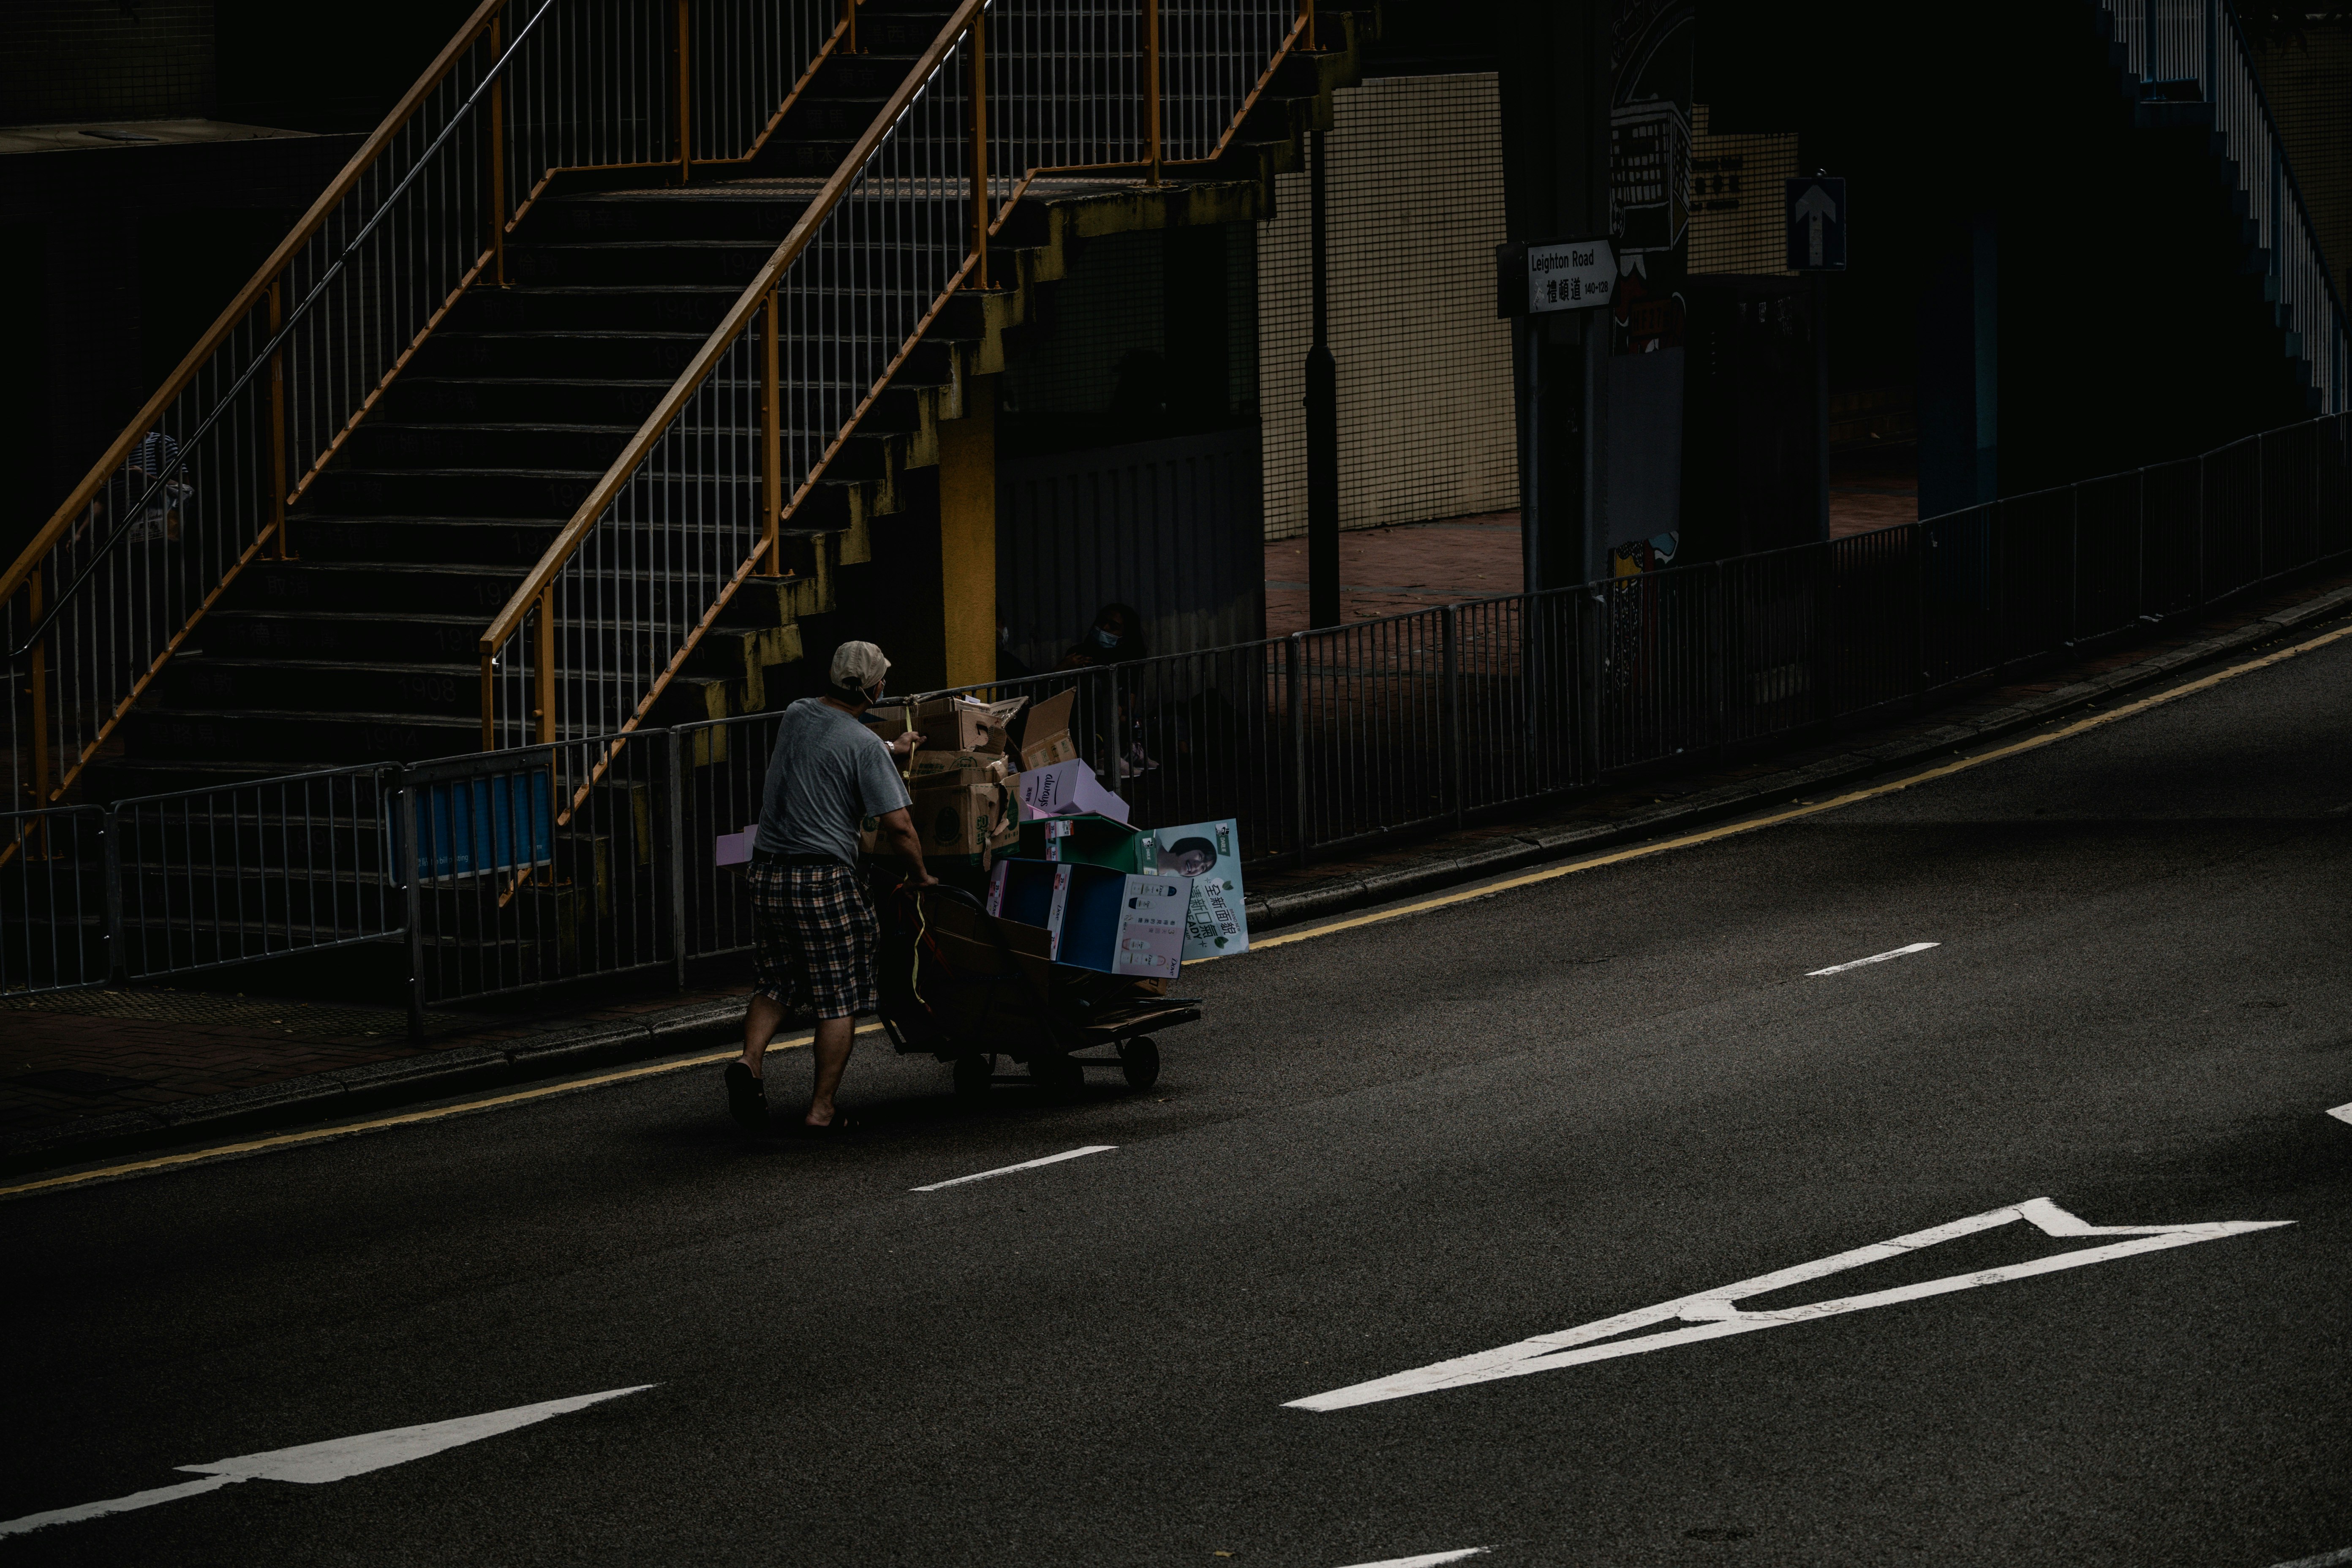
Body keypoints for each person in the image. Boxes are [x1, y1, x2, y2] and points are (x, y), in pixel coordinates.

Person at [726, 641, 935, 1135]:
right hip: (822, 881)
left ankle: (749, 1063)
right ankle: (822, 1110)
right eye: (883, 678)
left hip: (767, 873)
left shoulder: (798, 714)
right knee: (838, 995)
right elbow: (900, 826)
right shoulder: (863, 746)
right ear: (875, 688)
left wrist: (891, 748)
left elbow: (834, 745)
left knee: (776, 980)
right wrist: (921, 877)